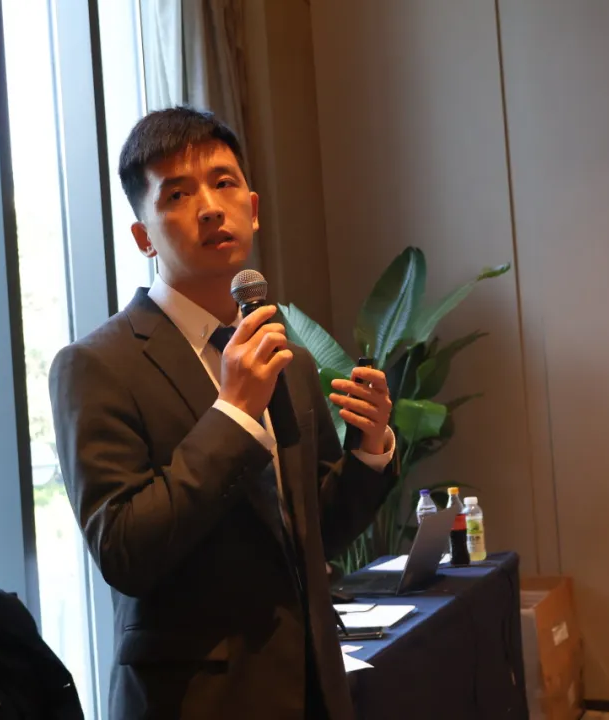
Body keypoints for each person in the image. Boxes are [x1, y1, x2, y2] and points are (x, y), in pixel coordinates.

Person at [49, 106, 397, 720]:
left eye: (223, 182)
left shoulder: (283, 356)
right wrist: (233, 413)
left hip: (312, 689)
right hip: (196, 701)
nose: (209, 207)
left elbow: (313, 530)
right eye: (177, 194)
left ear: (252, 209)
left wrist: (370, 449)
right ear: (144, 237)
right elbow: (124, 550)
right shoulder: (95, 365)